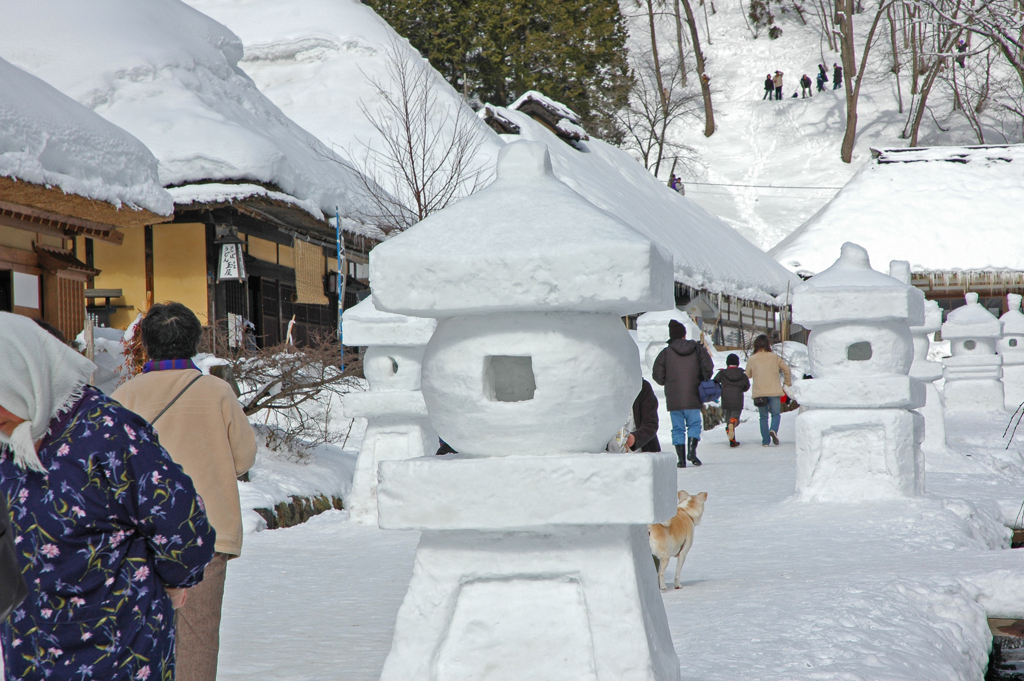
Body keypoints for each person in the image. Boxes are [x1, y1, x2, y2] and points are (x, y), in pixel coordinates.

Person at [0, 311, 215, 680]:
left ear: (25, 377)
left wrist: (175, 581)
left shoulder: (107, 433)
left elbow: (181, 525)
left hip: (119, 646)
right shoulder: (10, 444)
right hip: (31, 648)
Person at [113, 302, 256, 681]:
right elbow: (243, 458)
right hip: (208, 534)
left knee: (139, 639)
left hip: (140, 538)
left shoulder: (125, 396)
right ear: (194, 342)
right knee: (197, 639)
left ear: (146, 343)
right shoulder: (218, 392)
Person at [652, 320, 713, 468]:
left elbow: (657, 376)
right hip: (693, 394)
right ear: (684, 334)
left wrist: (669, 381)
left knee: (678, 428)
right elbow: (709, 368)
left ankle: (681, 460)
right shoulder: (697, 349)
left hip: (674, 399)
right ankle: (692, 452)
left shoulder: (665, 353)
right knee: (694, 424)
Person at [744, 334, 792, 447]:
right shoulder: (774, 357)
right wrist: (787, 383)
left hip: (759, 392)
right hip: (774, 391)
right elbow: (787, 370)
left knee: (763, 417)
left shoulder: (752, 359)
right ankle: (773, 430)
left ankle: (765, 441)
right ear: (767, 344)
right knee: (776, 414)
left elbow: (748, 375)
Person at [714, 353, 750, 448]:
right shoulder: (742, 374)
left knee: (728, 419)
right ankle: (732, 424)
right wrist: (741, 389)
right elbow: (747, 386)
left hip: (726, 399)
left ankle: (732, 441)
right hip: (737, 400)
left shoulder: (722, 373)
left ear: (727, 363)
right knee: (734, 419)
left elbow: (715, 381)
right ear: (737, 363)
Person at [626, 379, 661, 452]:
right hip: (606, 456)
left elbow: (650, 423)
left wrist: (636, 438)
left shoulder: (643, 387)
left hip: (640, 453)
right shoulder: (603, 388)